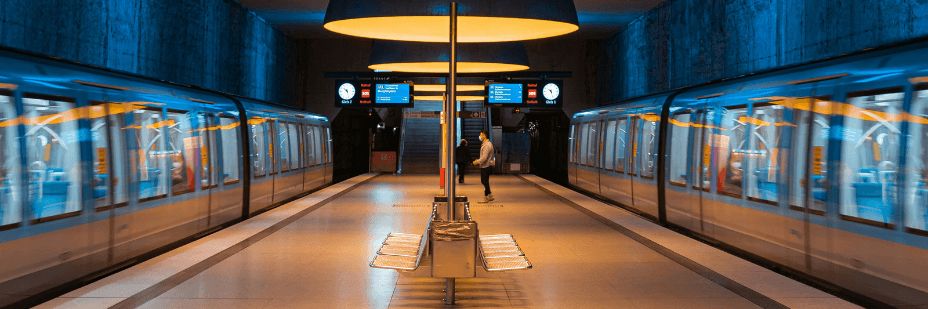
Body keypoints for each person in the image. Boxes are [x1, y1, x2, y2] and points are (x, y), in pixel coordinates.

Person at [472, 130, 495, 203]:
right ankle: (489, 195)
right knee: (485, 181)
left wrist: (476, 162)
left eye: (481, 135)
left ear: (484, 135)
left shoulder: (487, 145)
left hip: (486, 166)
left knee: (484, 181)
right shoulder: (486, 144)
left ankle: (487, 197)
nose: (480, 136)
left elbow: (484, 157)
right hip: (485, 165)